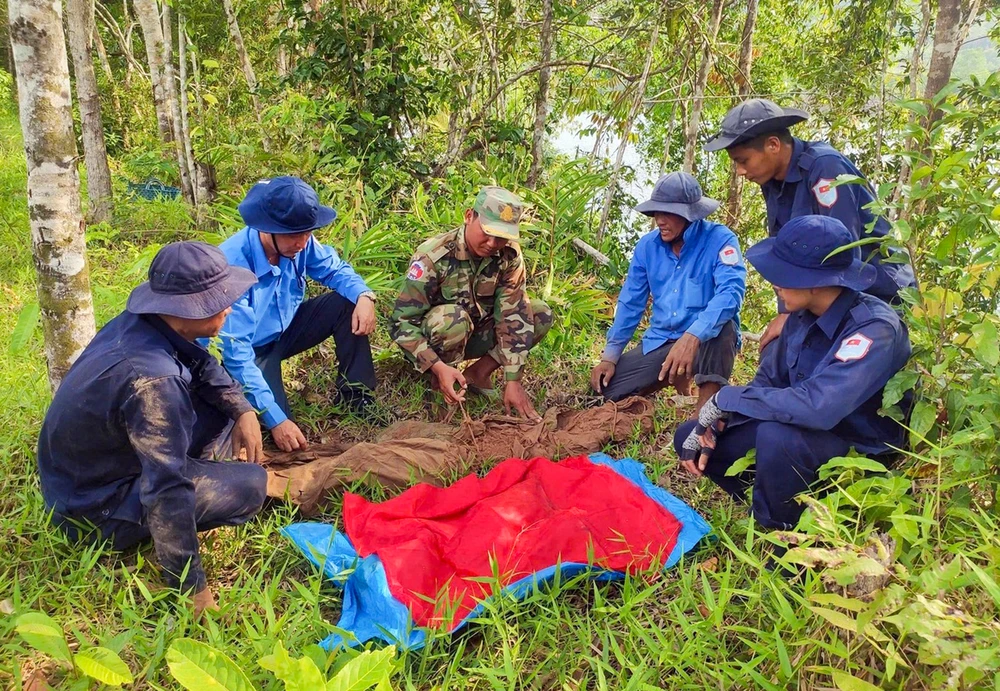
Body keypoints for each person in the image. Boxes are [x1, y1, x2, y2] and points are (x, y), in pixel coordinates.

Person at [37, 242, 268, 616]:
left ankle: (204, 461)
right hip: (94, 508)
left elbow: (202, 364)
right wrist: (191, 586)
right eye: (217, 302)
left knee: (222, 410)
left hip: (86, 470)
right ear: (185, 312)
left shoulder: (143, 325)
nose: (228, 306)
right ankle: (153, 525)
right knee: (251, 484)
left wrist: (243, 410)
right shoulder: (153, 381)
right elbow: (166, 490)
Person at [673, 215, 911, 530]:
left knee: (778, 437)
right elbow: (768, 384)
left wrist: (727, 398)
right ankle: (776, 502)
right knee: (691, 435)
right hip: (801, 434)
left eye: (783, 274)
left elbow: (818, 407)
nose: (774, 282)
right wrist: (721, 419)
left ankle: (782, 534)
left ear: (815, 280)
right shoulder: (801, 315)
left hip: (856, 450)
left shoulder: (874, 328)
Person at [704, 98, 917, 350]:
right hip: (824, 290)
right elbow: (783, 254)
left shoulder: (826, 168)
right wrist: (786, 310)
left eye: (744, 161)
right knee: (777, 352)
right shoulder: (771, 181)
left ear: (773, 145)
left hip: (876, 289)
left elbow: (844, 254)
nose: (740, 171)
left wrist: (798, 318)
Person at [216, 176, 378, 453]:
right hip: (251, 351)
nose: (302, 243)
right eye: (294, 234)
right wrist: (276, 420)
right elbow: (236, 352)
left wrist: (365, 296)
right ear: (266, 229)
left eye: (308, 232)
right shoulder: (233, 266)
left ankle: (357, 399)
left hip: (286, 329)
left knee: (347, 303)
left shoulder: (301, 242)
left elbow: (335, 270)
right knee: (283, 435)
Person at [391, 186, 553, 420]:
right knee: (453, 320)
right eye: (487, 232)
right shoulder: (433, 256)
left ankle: (478, 373)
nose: (492, 242)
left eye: (502, 237)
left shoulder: (509, 256)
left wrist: (513, 379)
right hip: (438, 339)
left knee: (539, 313)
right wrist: (436, 365)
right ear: (469, 217)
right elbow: (401, 323)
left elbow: (513, 313)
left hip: (476, 333)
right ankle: (440, 386)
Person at [591, 172, 746, 411]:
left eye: (668, 214)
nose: (660, 220)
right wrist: (610, 357)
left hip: (704, 341)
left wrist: (693, 336)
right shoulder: (647, 247)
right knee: (607, 391)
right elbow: (631, 303)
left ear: (691, 215)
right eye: (657, 213)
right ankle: (676, 379)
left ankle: (705, 411)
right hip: (662, 341)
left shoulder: (720, 240)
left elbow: (731, 294)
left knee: (724, 328)